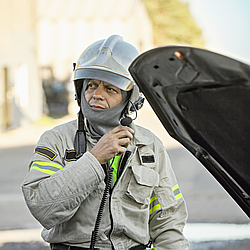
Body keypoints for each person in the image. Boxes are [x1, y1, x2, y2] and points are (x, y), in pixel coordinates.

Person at [22, 35, 189, 250]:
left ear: (132, 98)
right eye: (91, 85)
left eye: (110, 88)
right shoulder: (56, 140)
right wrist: (94, 158)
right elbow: (43, 208)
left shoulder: (149, 146)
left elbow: (168, 221)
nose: (96, 95)